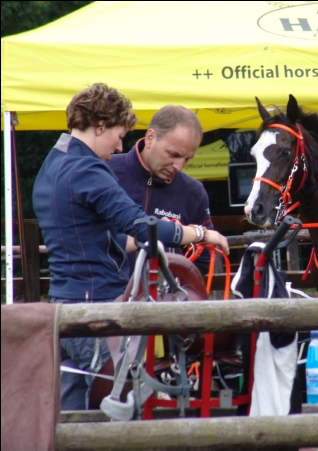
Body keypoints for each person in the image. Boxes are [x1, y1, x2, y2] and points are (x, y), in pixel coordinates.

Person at [32, 83, 229, 410]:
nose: (120, 145)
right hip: (97, 309)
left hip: (62, 305)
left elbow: (101, 237)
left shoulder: (52, 164)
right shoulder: (89, 169)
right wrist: (200, 234)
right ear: (100, 126)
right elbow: (143, 226)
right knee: (120, 410)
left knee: (69, 417)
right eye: (119, 135)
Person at [108, 105, 215, 276]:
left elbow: (204, 263)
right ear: (150, 138)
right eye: (173, 154)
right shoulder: (105, 172)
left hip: (164, 293)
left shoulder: (193, 192)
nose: (179, 166)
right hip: (104, 291)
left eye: (187, 159)